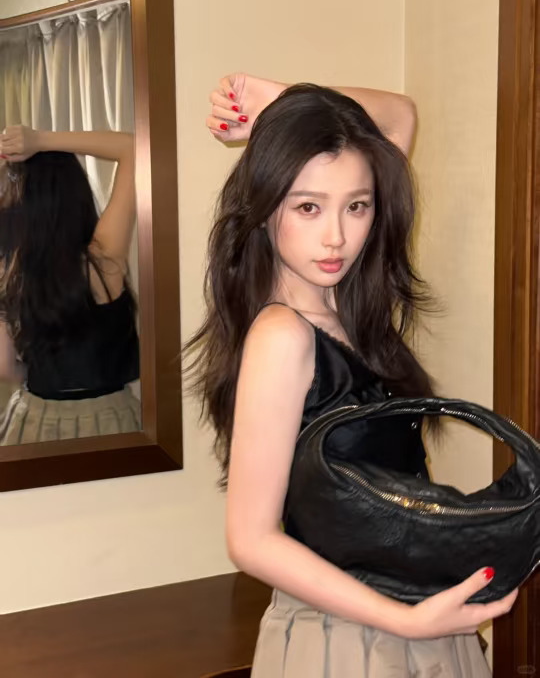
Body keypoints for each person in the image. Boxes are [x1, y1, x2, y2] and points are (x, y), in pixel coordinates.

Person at [191, 73, 518, 676]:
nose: (337, 236)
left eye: (357, 206)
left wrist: (278, 97)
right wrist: (405, 622)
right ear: (264, 208)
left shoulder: (344, 307)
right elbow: (250, 540)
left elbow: (399, 115)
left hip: (411, 609)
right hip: (349, 633)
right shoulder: (283, 336)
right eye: (308, 207)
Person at [0, 126, 140, 444]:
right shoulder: (102, 260)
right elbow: (132, 149)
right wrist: (41, 141)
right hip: (108, 421)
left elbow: (4, 367)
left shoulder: (10, 269)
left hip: (32, 419)